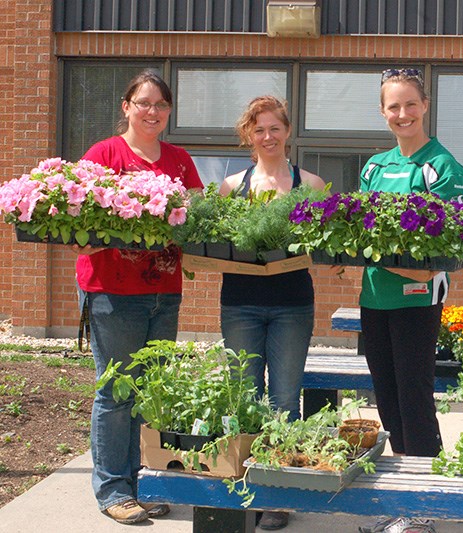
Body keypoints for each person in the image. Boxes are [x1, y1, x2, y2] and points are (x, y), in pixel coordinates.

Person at [75, 70, 203, 525]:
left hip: (163, 291)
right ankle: (113, 489)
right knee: (115, 392)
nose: (152, 112)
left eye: (161, 105)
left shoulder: (179, 159)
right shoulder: (104, 154)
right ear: (126, 106)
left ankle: (140, 483)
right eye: (143, 103)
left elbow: (196, 218)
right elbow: (82, 230)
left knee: (148, 393)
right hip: (113, 291)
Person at [356, 68, 463, 533]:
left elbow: (441, 251)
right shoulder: (374, 167)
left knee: (414, 396)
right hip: (374, 298)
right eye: (393, 107)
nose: (402, 114)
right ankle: (405, 495)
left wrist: (392, 260)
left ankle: (427, 504)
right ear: (383, 113)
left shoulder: (443, 167)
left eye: (409, 104)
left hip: (417, 299)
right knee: (386, 398)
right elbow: (358, 229)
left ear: (424, 106)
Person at [218, 95, 325, 531]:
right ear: (250, 134)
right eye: (259, 129)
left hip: (292, 304)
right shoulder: (230, 188)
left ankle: (279, 494)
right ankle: (245, 487)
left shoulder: (311, 184)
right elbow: (219, 245)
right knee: (244, 396)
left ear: (287, 132)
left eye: (275, 128)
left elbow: (324, 244)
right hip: (240, 303)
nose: (268, 137)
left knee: (284, 398)